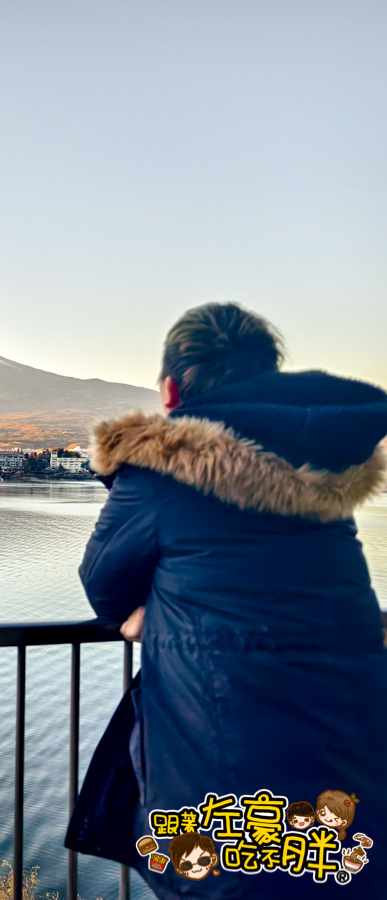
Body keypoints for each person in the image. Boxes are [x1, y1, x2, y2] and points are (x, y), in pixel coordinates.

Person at [66, 304, 387, 898]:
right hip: (351, 774)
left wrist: (146, 614)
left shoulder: (160, 475)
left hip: (227, 797)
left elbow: (104, 584)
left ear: (170, 391)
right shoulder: (324, 479)